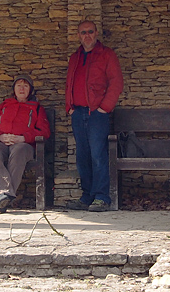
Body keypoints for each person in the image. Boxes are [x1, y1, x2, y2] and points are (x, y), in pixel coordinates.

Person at [64, 20, 123, 212]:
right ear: (78, 35)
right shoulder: (75, 57)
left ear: (96, 33)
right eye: (83, 32)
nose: (87, 35)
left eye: (90, 31)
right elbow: (69, 83)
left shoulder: (106, 55)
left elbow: (116, 82)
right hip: (78, 113)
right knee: (82, 156)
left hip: (97, 113)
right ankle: (86, 196)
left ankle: (101, 197)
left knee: (98, 155)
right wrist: (69, 106)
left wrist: (104, 108)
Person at [0, 75, 51, 213]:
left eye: (25, 86)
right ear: (14, 89)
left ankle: (4, 196)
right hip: (1, 142)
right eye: (19, 85)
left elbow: (44, 131)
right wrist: (0, 136)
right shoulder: (4, 106)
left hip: (23, 145)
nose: (22, 88)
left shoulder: (36, 108)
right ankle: (5, 194)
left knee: (19, 151)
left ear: (30, 90)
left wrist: (23, 138)